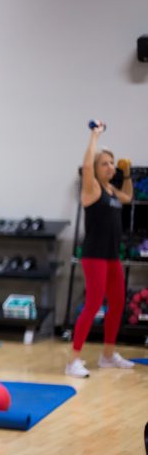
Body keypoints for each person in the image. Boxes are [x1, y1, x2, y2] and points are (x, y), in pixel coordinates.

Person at [67, 122, 135, 377]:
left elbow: (128, 198)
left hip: (111, 257)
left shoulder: (111, 191)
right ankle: (73, 360)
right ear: (95, 168)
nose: (110, 166)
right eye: (105, 163)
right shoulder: (92, 188)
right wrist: (94, 136)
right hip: (94, 255)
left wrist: (126, 173)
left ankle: (107, 356)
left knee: (117, 304)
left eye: (112, 163)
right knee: (94, 303)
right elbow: (86, 166)